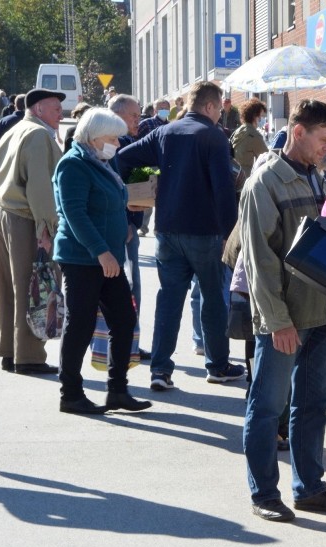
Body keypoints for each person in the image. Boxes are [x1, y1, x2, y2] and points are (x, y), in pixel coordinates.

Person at [239, 99, 326, 523]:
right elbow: (259, 260)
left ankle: (310, 487)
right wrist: (278, 321)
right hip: (284, 319)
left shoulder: (317, 177)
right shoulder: (264, 182)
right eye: (323, 139)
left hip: (320, 314)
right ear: (298, 133)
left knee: (313, 404)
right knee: (268, 407)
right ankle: (264, 493)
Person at [117, 81, 245, 391]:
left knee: (169, 299)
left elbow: (122, 159)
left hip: (168, 230)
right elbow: (224, 190)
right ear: (211, 107)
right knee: (214, 299)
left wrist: (142, 188)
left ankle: (160, 370)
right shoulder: (214, 137)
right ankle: (216, 365)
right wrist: (232, 234)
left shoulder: (164, 132)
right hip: (207, 232)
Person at [52, 109, 152, 415]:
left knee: (123, 321)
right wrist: (101, 251)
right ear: (94, 137)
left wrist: (123, 226)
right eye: (111, 138)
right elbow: (74, 214)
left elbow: (110, 201)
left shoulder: (101, 162)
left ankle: (117, 391)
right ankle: (70, 394)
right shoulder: (73, 165)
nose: (117, 144)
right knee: (79, 325)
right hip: (84, 259)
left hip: (108, 258)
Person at [0, 89, 65, 375]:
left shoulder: (16, 129)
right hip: (25, 218)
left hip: (3, 212)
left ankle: (11, 352)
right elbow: (39, 186)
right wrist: (46, 227)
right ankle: (30, 357)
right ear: (38, 109)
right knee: (33, 287)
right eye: (55, 108)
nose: (61, 112)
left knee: (9, 287)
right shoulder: (38, 134)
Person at [108, 93, 150, 361]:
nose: (139, 120)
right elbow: (117, 188)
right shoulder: (117, 145)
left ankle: (126, 342)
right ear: (118, 115)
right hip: (123, 228)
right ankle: (127, 344)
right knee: (128, 287)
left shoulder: (124, 142)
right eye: (134, 115)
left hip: (126, 225)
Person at [230, 98, 269, 177]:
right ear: (254, 116)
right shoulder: (253, 135)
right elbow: (268, 158)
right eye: (260, 116)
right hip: (246, 177)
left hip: (234, 173)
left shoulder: (239, 131)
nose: (261, 119)